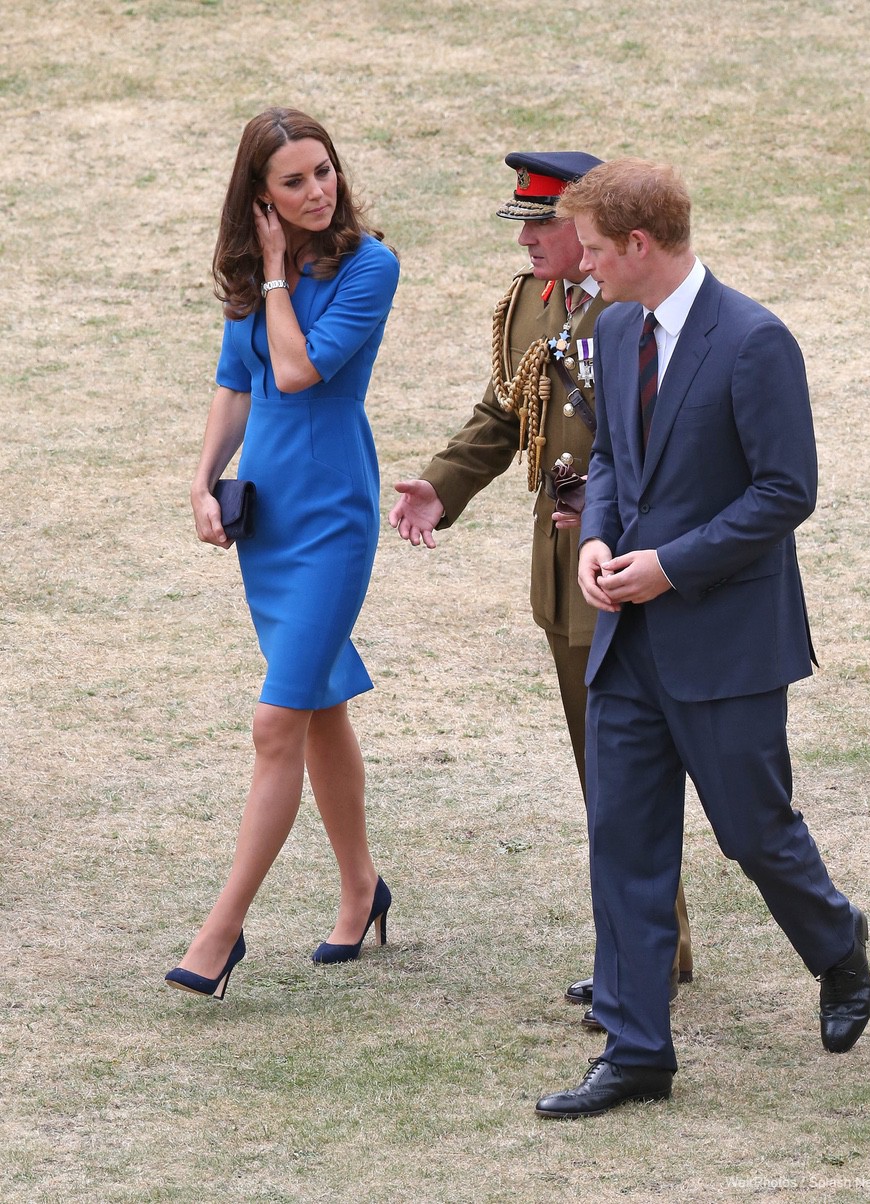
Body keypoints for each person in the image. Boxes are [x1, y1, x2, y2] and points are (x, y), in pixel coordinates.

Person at [535, 159, 870, 1117]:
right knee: (624, 839)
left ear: (639, 246)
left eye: (595, 251)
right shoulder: (610, 325)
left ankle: (837, 943)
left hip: (723, 642)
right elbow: (608, 456)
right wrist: (599, 534)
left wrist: (670, 566)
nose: (586, 268)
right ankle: (639, 1049)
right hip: (630, 645)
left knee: (753, 833)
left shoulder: (755, 342)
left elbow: (785, 492)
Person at [388, 152, 694, 1022]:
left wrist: (606, 511)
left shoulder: (635, 303)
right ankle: (652, 944)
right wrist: (443, 486)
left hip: (635, 564)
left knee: (640, 769)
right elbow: (505, 410)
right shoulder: (535, 302)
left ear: (590, 226)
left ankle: (641, 953)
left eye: (542, 225)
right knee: (604, 769)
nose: (525, 240)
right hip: (566, 575)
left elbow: (669, 435)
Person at [165, 108, 400, 999]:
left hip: (334, 513)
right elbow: (239, 381)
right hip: (266, 517)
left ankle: (220, 934)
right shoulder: (253, 268)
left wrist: (273, 275)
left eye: (323, 171)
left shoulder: (369, 265)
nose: (316, 191)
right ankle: (360, 889)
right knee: (319, 703)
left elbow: (299, 374)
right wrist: (201, 481)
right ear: (259, 196)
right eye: (293, 181)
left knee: (276, 723)